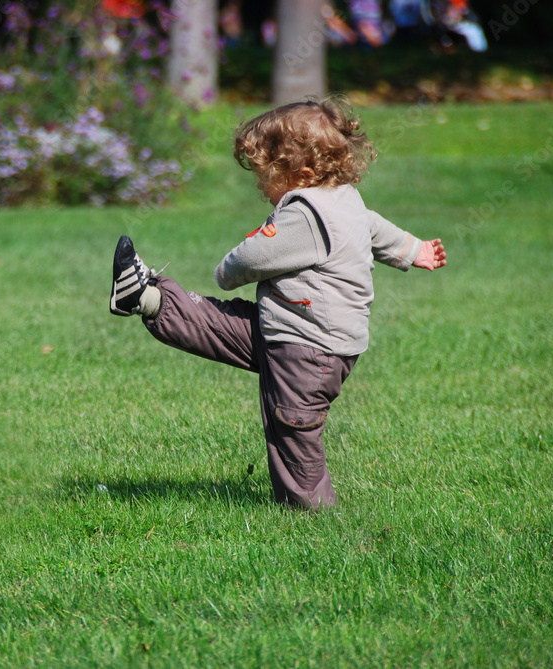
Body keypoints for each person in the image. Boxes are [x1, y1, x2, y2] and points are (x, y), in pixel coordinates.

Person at [109, 98, 446, 511]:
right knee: (215, 323)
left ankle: (310, 514)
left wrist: (226, 272)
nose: (259, 186)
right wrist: (413, 250)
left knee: (293, 430)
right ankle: (142, 295)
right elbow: (377, 228)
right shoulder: (344, 199)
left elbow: (251, 259)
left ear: (300, 175)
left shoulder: (305, 215)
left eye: (265, 175)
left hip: (307, 349)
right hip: (292, 332)